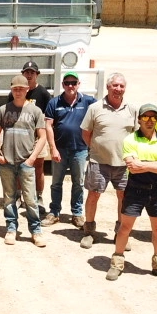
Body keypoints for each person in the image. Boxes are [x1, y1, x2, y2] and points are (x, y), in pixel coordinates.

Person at [106, 103, 157, 282]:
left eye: (153, 117)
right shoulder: (130, 139)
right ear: (139, 119)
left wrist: (143, 164)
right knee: (125, 227)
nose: (149, 121)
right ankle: (117, 262)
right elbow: (133, 167)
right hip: (135, 189)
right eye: (146, 117)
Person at [79, 73, 136, 249]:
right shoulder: (95, 108)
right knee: (94, 195)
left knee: (124, 197)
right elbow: (86, 133)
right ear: (108, 87)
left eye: (121, 86)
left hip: (124, 164)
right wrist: (97, 149)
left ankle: (121, 233)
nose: (118, 89)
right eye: (115, 86)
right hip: (99, 162)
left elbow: (135, 134)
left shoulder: (132, 109)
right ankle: (89, 231)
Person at [0, 76, 47, 246]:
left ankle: (36, 231)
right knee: (9, 198)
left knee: (30, 199)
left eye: (21, 89)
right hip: (7, 161)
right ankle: (11, 228)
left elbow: (42, 136)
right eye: (15, 89)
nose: (18, 92)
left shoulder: (35, 111)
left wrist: (32, 158)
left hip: (26, 162)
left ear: (27, 90)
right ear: (11, 89)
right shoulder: (3, 109)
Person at [43, 71, 96, 228]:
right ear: (63, 85)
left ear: (78, 84)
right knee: (56, 183)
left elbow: (100, 114)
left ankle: (77, 213)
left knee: (78, 183)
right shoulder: (54, 103)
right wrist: (53, 148)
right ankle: (54, 212)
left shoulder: (88, 101)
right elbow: (48, 125)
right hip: (60, 149)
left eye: (74, 82)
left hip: (80, 149)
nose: (70, 86)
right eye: (67, 83)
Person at [8, 60, 53, 214]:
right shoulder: (15, 91)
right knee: (19, 167)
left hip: (36, 137)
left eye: (32, 72)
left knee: (39, 168)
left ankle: (38, 196)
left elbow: (49, 117)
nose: (29, 75)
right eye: (26, 72)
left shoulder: (43, 94)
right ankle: (19, 196)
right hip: (20, 136)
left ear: (37, 74)